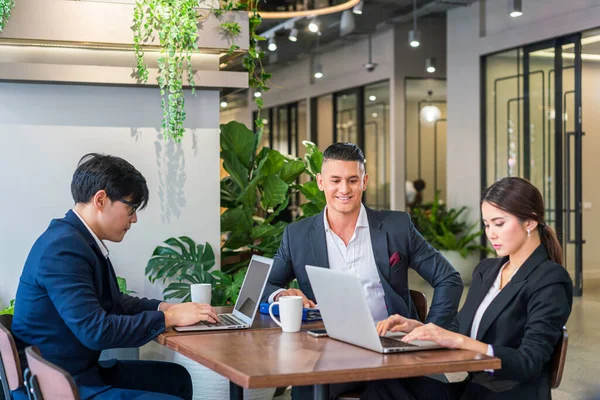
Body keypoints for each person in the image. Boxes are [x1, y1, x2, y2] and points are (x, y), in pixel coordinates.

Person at [261, 143, 463, 399]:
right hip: (328, 353)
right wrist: (282, 295)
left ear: (364, 182)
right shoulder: (297, 236)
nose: (344, 189)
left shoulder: (397, 226)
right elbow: (265, 287)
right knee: (308, 394)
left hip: (392, 352)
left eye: (352, 180)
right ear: (321, 182)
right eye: (335, 180)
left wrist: (433, 332)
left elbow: (449, 279)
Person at [11, 153, 220, 400]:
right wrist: (168, 317)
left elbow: (115, 301)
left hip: (71, 373)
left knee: (175, 379)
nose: (134, 218)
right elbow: (96, 331)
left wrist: (166, 307)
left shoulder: (77, 240)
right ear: (101, 199)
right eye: (130, 208)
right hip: (58, 386)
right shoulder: (63, 249)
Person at [362, 177, 573, 400]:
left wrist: (461, 342)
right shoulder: (487, 270)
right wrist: (416, 328)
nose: (491, 233)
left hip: (510, 395)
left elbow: (529, 363)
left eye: (499, 223)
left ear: (530, 222)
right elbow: (461, 330)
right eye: (487, 224)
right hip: (472, 392)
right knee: (383, 387)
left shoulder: (550, 280)